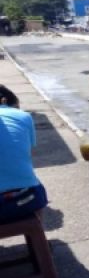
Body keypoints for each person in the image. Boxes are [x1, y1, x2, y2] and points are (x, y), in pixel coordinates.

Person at [0, 85, 48, 224]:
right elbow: (28, 155)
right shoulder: (23, 116)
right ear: (4, 101)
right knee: (35, 185)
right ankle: (37, 231)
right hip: (27, 200)